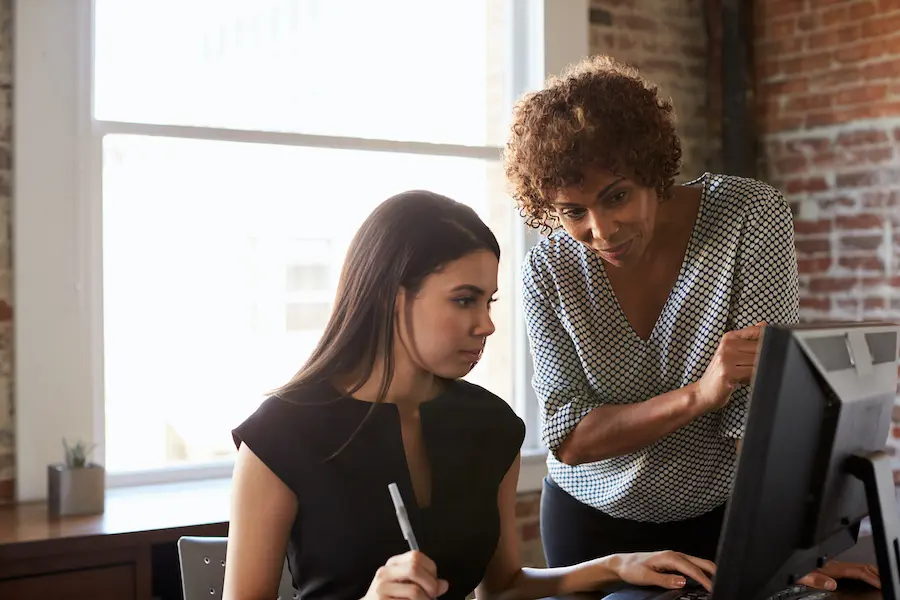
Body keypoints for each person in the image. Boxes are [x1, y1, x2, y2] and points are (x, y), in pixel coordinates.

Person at [222, 190, 719, 600]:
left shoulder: (491, 425)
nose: (485, 325)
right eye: (464, 300)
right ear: (392, 297)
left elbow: (502, 587)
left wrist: (617, 566)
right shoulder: (279, 438)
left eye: (488, 301)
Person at [503, 55, 880, 591]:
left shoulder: (748, 216)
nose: (601, 230)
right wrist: (701, 394)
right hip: (591, 525)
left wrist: (795, 551)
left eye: (617, 196)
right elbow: (569, 436)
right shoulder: (549, 269)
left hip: (724, 519)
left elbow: (758, 411)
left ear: (653, 169)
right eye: (572, 211)